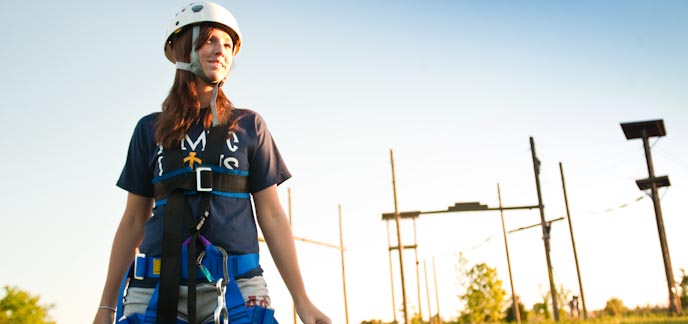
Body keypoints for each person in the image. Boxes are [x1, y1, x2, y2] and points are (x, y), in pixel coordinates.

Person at [93, 2, 330, 323]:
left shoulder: (250, 125)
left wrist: (302, 300)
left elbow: (272, 215)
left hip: (236, 284)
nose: (221, 50)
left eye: (228, 45)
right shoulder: (149, 130)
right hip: (156, 285)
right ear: (181, 48)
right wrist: (106, 306)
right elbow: (133, 220)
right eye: (210, 40)